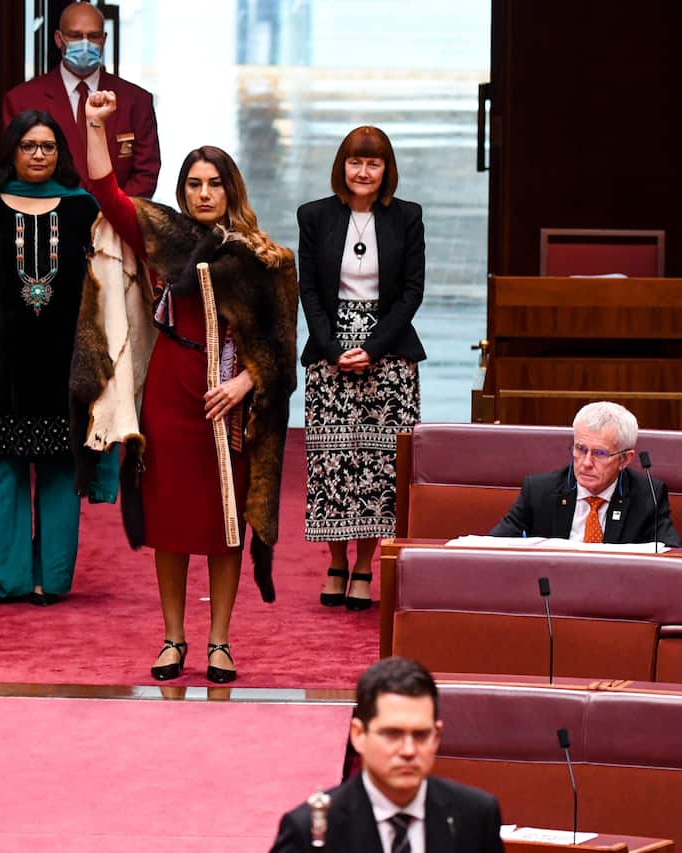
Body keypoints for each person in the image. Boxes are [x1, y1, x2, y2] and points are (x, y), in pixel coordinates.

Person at [73, 89, 298, 683]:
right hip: (169, 396)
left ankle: (219, 643)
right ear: (183, 191)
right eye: (194, 184)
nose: (203, 193)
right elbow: (105, 191)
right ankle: (173, 639)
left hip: (230, 405)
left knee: (227, 525)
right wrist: (95, 124)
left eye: (213, 184)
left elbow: (281, 351)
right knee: (170, 524)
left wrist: (246, 382)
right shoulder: (164, 236)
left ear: (231, 191)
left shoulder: (265, 259)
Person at [0, 109, 105, 607]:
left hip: (64, 366)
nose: (39, 155)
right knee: (2, 474)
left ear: (61, 154)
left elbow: (105, 289)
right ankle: (8, 581)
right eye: (29, 146)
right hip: (0, 367)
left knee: (61, 472)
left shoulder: (83, 209)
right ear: (12, 151)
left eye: (48, 147)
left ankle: (50, 580)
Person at [298, 126, 425, 611]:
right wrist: (332, 349)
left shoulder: (407, 217)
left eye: (373, 164)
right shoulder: (315, 216)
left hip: (387, 351)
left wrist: (371, 346)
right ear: (342, 167)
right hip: (331, 350)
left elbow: (412, 291)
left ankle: (365, 567)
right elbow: (308, 289)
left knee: (379, 466)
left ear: (386, 170)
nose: (363, 172)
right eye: (355, 162)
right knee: (332, 463)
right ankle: (334, 562)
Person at [271, 657, 503, 852]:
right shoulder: (309, 830)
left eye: (421, 735)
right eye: (392, 734)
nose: (408, 751)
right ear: (359, 734)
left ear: (437, 735)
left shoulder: (476, 816)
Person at [1, 1, 160, 197]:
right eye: (75, 36)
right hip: (52, 219)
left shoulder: (136, 100)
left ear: (104, 39)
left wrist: (115, 215)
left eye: (93, 36)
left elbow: (146, 172)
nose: (85, 44)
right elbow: (16, 169)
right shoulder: (22, 100)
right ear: (59, 39)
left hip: (116, 222)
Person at [490, 401, 682, 546]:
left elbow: (669, 555)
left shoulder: (648, 496)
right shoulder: (539, 491)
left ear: (625, 459)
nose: (587, 463)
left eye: (600, 453)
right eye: (580, 449)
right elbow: (493, 547)